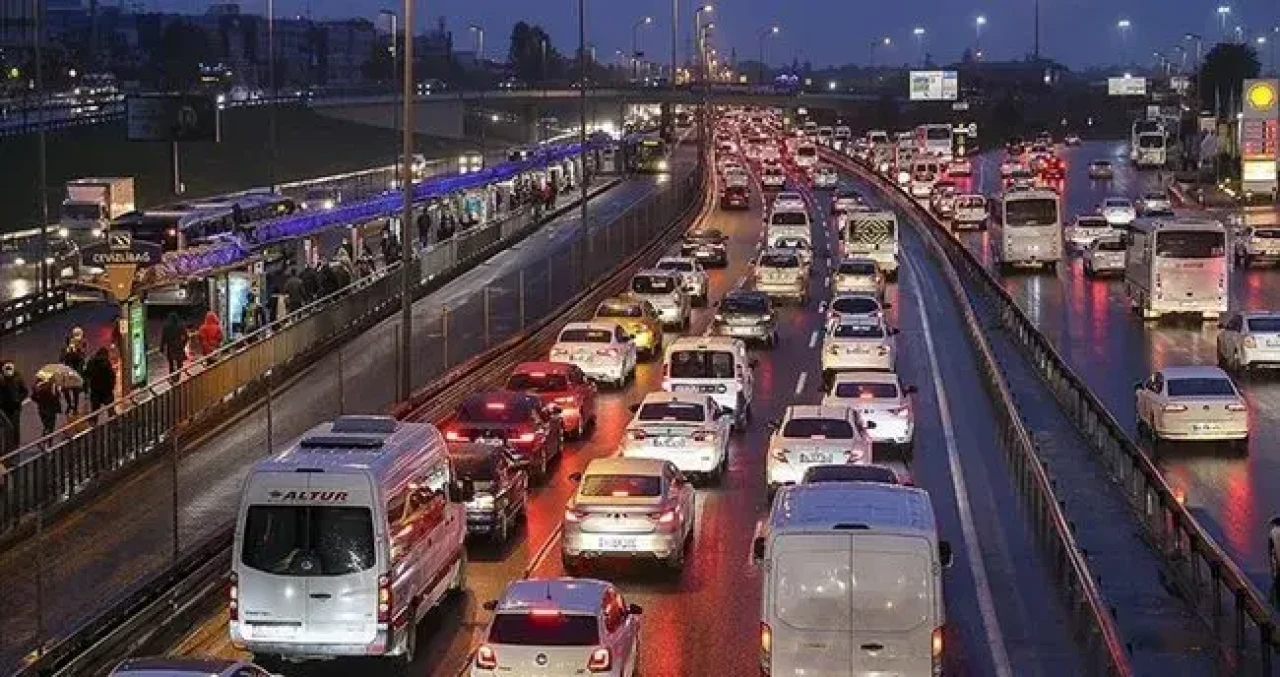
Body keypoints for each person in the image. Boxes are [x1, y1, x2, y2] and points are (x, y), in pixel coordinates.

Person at [0, 361, 28, 448]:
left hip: (15, 407)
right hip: (3, 407)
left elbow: (24, 391)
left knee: (15, 426)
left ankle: (15, 443)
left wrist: (19, 399)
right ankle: (7, 444)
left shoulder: (18, 378)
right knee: (5, 427)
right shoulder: (1, 379)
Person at [60, 326, 87, 413]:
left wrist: (76, 351)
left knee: (75, 390)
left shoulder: (81, 346)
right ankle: (69, 404)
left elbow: (81, 358)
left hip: (76, 371)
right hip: (67, 371)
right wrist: (68, 352)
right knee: (65, 389)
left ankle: (75, 407)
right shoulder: (65, 349)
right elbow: (61, 359)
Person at [84, 347, 115, 412]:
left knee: (94, 413)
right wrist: (112, 386)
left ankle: (93, 422)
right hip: (107, 391)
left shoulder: (91, 362)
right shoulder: (107, 362)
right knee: (111, 411)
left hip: (95, 391)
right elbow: (112, 375)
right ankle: (113, 421)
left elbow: (87, 374)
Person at [30, 372, 61, 437]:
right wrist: (58, 391)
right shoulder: (52, 385)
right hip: (52, 409)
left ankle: (45, 435)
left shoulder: (38, 385)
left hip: (42, 409)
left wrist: (39, 401)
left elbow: (33, 397)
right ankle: (48, 441)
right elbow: (56, 397)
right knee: (51, 426)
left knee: (46, 425)